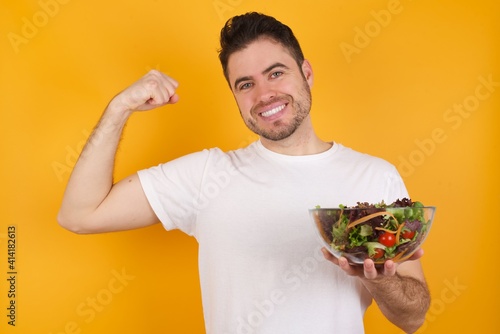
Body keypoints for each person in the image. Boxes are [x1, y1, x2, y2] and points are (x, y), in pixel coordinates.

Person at [58, 12, 430, 334]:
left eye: (276, 73)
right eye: (246, 84)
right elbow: (80, 215)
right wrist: (119, 107)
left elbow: (412, 318)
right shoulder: (206, 175)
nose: (264, 94)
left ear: (307, 73)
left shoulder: (374, 177)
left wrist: (380, 281)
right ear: (235, 95)